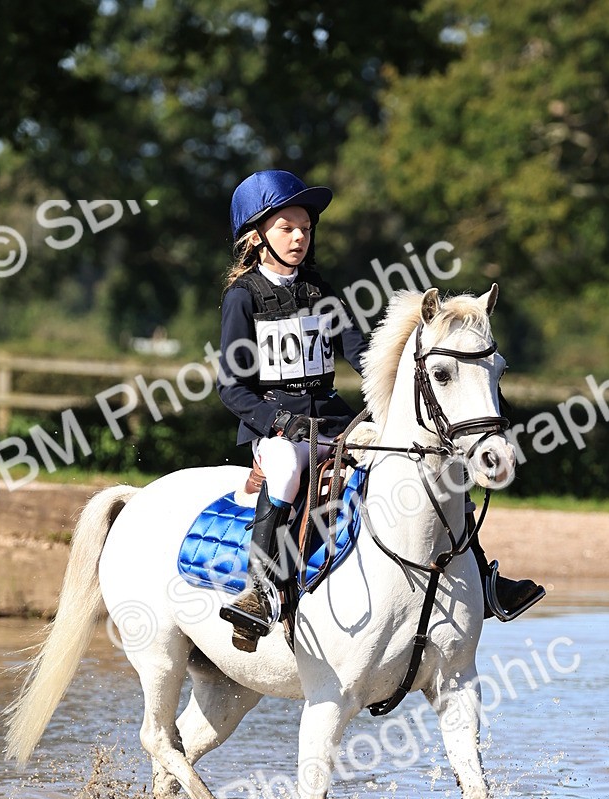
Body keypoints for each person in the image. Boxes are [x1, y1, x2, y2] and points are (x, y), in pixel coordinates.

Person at [216, 170, 543, 653]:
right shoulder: (242, 298)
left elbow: (363, 354)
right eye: (287, 227)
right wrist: (276, 424)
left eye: (305, 228)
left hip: (332, 419)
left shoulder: (319, 290)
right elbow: (232, 388)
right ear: (257, 234)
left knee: (426, 463)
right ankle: (259, 591)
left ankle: (483, 575)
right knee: (285, 471)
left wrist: (419, 350)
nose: (300, 237)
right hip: (277, 426)